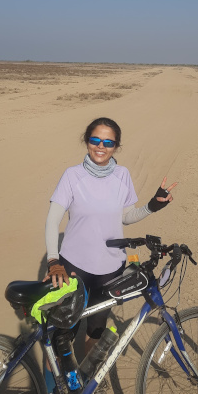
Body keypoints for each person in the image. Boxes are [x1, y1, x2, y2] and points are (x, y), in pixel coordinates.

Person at [45, 116, 177, 362]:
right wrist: (54, 260)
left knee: (96, 327)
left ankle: (88, 379)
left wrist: (151, 206)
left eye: (108, 142)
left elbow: (125, 217)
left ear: (116, 146)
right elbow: (53, 220)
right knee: (65, 330)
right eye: (95, 140)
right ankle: (60, 386)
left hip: (110, 268)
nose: (101, 147)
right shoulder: (72, 176)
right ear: (86, 141)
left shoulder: (122, 175)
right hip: (74, 266)